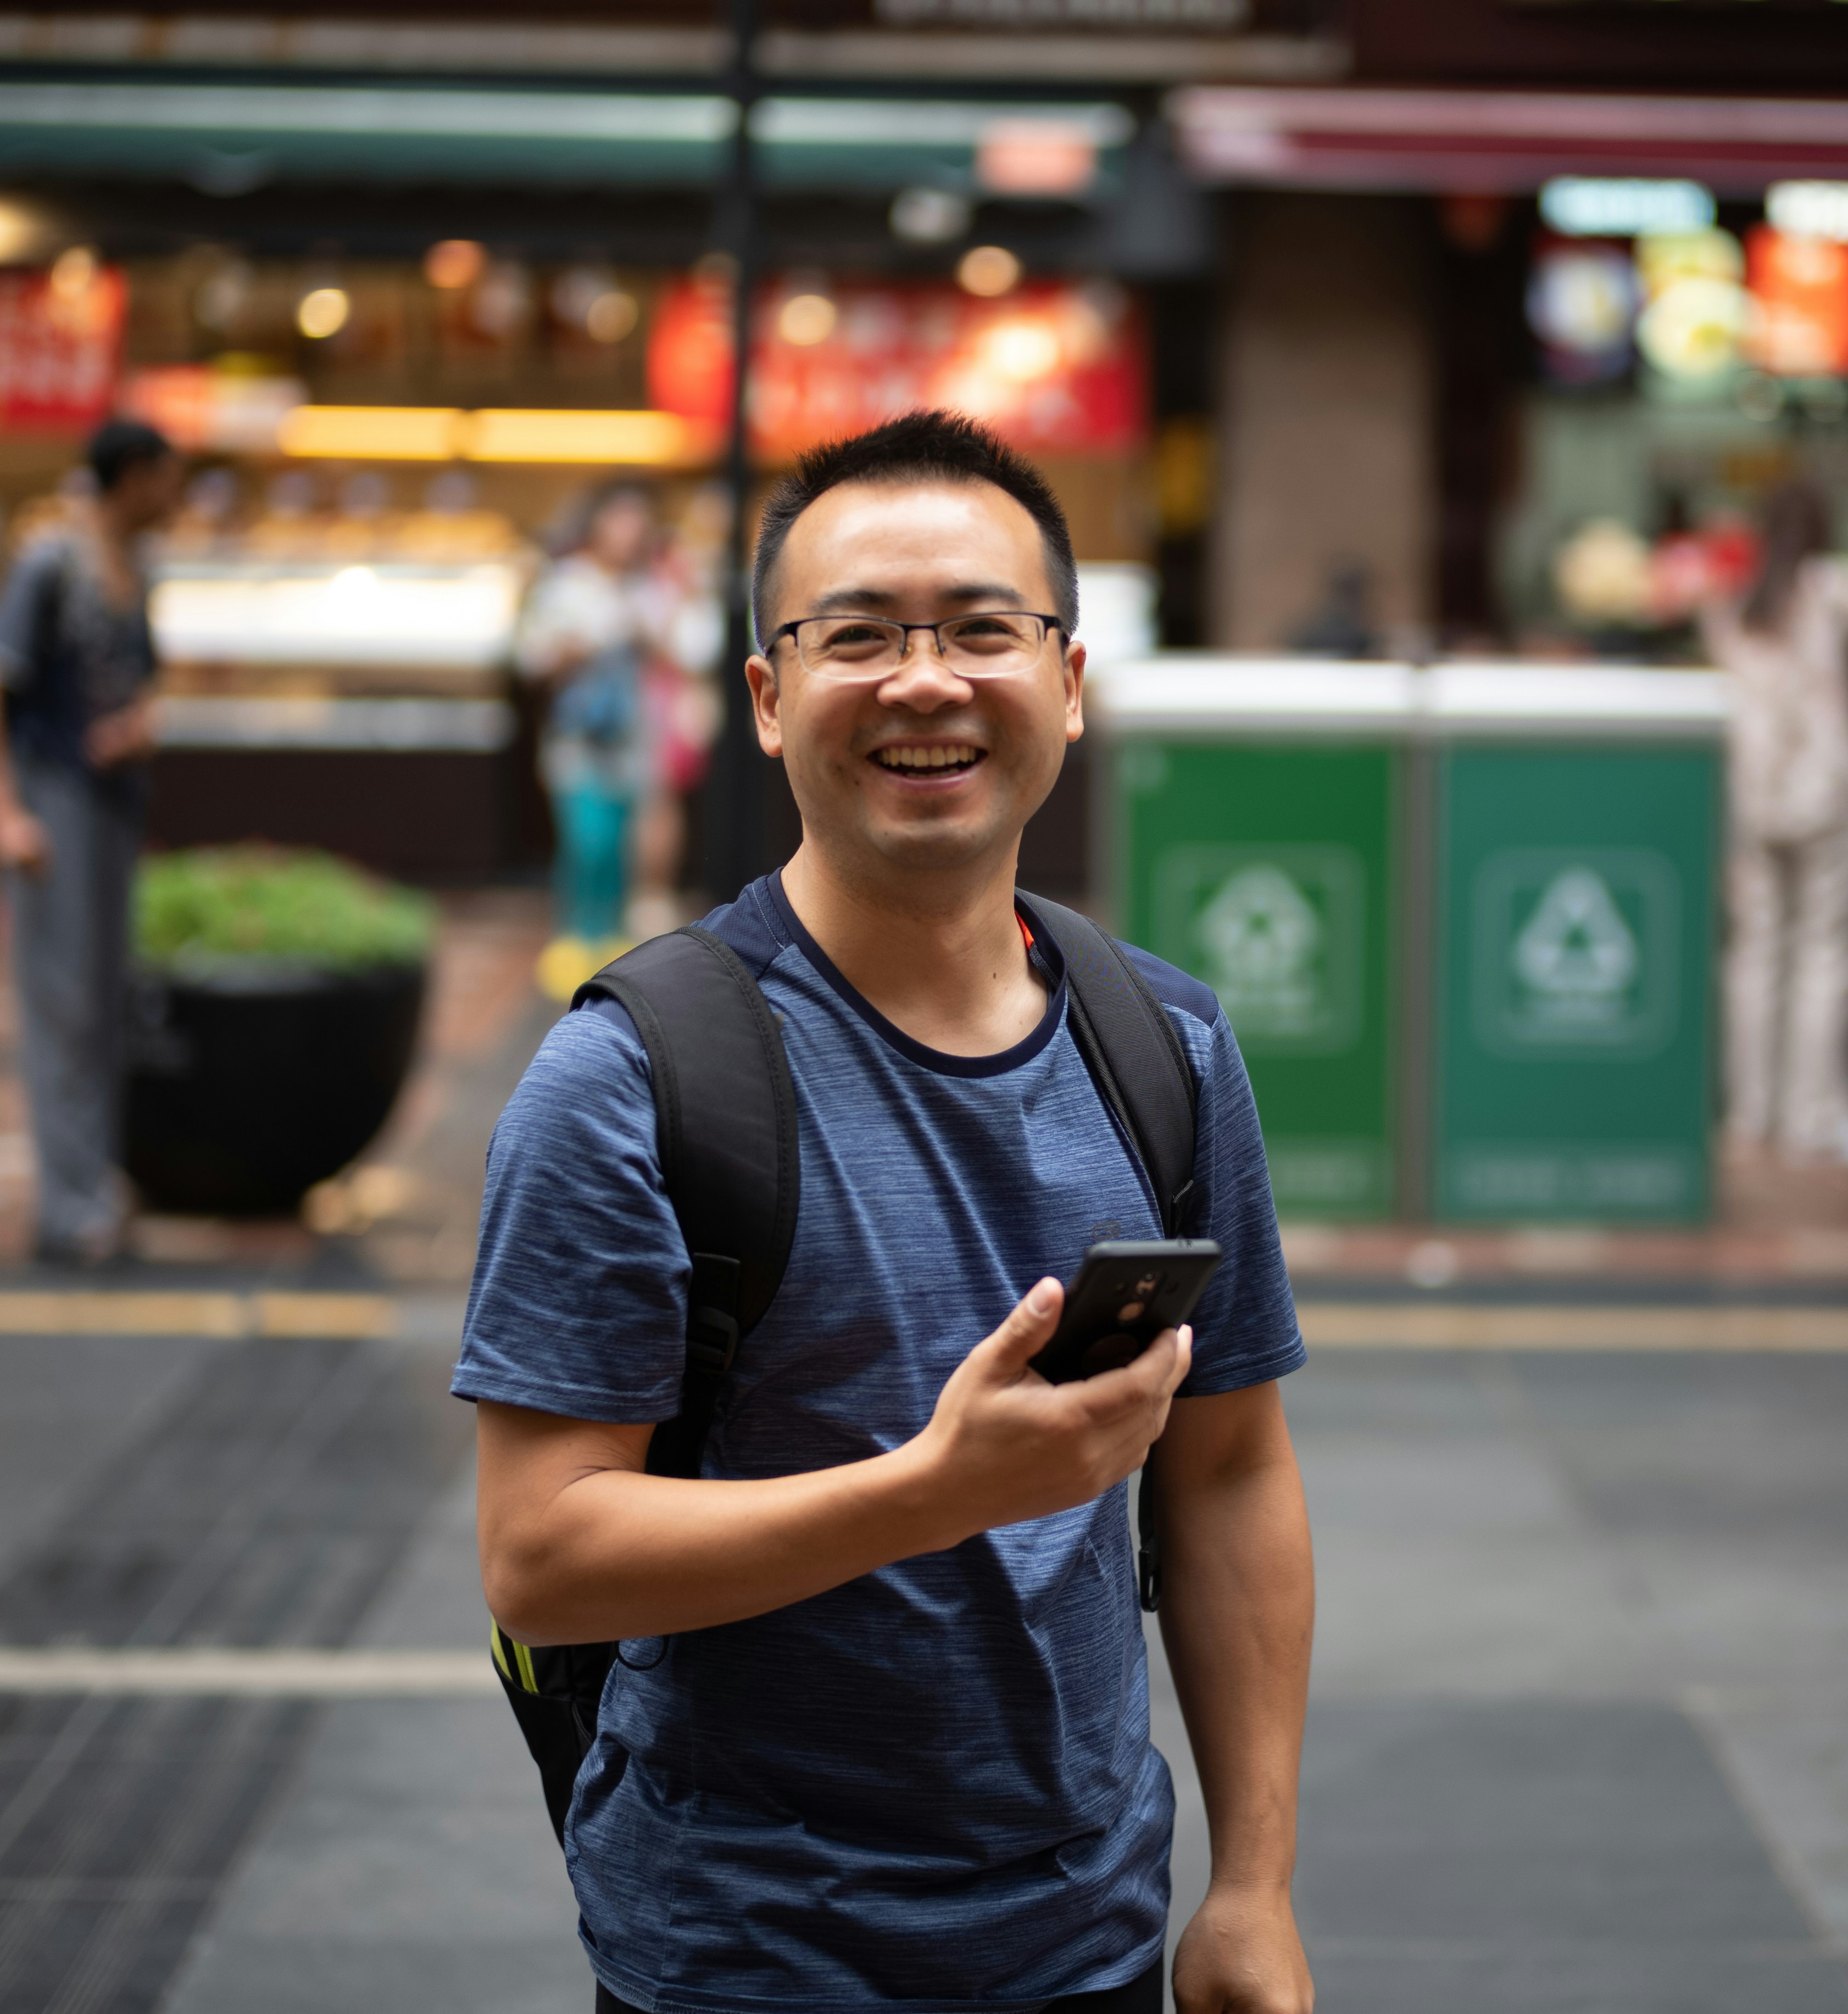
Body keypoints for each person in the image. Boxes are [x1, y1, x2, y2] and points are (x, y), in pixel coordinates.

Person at [460, 411, 1316, 2014]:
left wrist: (1253, 1884)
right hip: (744, 1961)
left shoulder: (1167, 1050)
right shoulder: (629, 1081)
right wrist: (933, 1488)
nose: (926, 680)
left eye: (984, 628)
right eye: (858, 636)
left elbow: (1232, 1471)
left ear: (1066, 681)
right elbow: (543, 1553)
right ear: (770, 702)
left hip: (1090, 1943)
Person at [0, 419, 184, 1267]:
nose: (176, 495)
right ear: (132, 476)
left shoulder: (141, 569)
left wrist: (139, 727)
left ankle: (94, 1183)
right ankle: (67, 1205)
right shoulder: (51, 562)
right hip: (53, 805)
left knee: (102, 1001)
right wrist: (4, 809)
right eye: (167, 477)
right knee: (62, 1005)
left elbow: (145, 682)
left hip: (115, 805)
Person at [1700, 479, 1848, 1168]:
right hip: (1829, 791)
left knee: (1754, 951)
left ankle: (1748, 1114)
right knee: (1826, 952)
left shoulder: (1733, 594)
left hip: (1749, 790)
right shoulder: (1833, 585)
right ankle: (1811, 1116)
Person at [517, 482, 665, 984]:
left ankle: (608, 938)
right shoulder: (568, 585)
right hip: (579, 738)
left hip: (630, 736)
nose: (628, 533)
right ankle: (574, 938)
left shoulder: (644, 587)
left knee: (620, 842)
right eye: (619, 520)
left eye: (636, 522)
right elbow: (532, 658)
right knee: (587, 841)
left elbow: (678, 647)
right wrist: (579, 646)